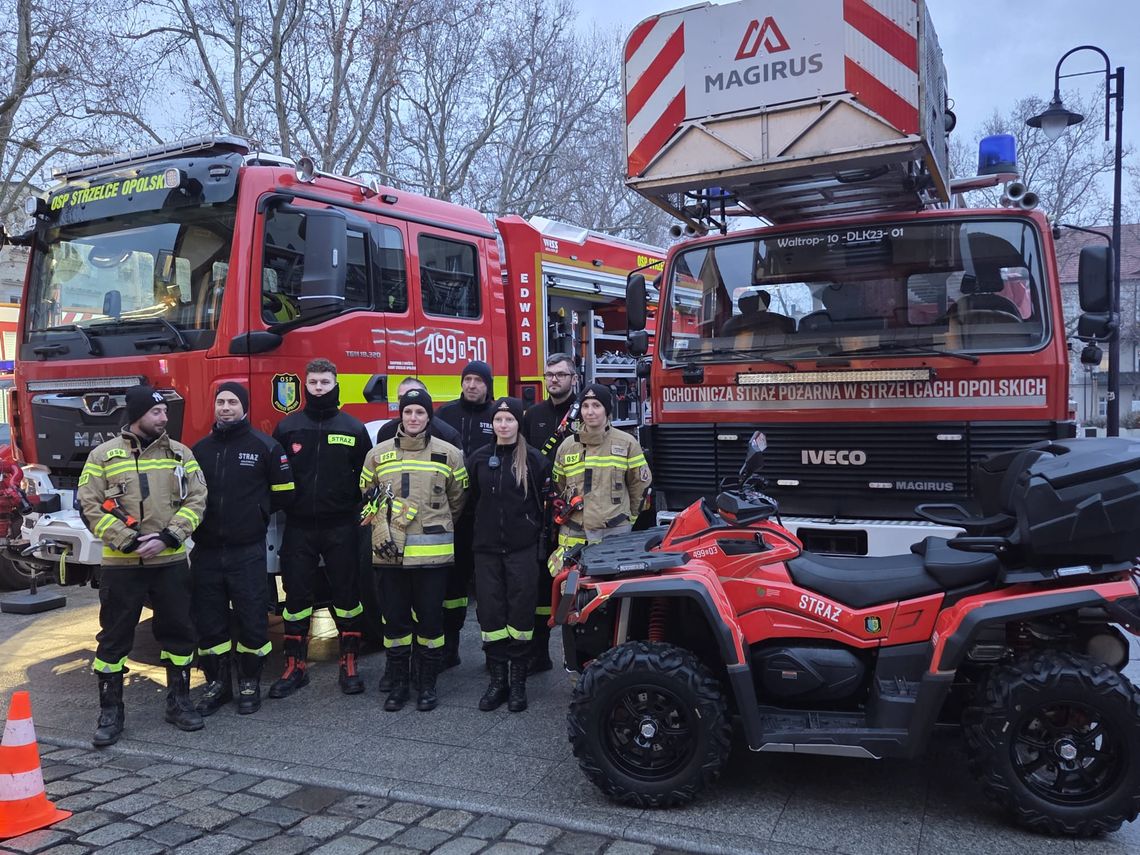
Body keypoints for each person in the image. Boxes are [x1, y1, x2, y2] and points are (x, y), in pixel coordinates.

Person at [78, 385, 209, 746]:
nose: (164, 418)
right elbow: (89, 505)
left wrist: (168, 537)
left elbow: (197, 499)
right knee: (114, 639)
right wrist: (128, 540)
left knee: (179, 633)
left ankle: (180, 703)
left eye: (165, 412)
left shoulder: (181, 454)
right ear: (137, 415)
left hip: (169, 561)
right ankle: (110, 713)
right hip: (122, 565)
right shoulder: (103, 456)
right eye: (157, 412)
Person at [190, 382, 295, 716]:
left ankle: (249, 682)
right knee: (210, 622)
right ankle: (217, 684)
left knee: (252, 619)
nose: (225, 408)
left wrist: (257, 515)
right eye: (220, 401)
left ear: (244, 407)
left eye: (232, 402)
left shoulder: (266, 447)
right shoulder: (199, 450)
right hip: (206, 550)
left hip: (247, 550)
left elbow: (284, 493)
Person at [270, 359, 372, 698]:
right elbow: (275, 477)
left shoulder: (354, 429)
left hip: (342, 525)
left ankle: (349, 662)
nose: (318, 388)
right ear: (305, 385)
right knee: (296, 599)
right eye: (313, 382)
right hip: (298, 526)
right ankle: (295, 666)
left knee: (348, 598)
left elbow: (367, 482)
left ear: (335, 383)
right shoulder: (287, 428)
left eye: (324, 382)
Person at [361, 387, 467, 711]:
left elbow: (458, 499)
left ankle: (427, 684)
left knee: (431, 625)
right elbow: (367, 494)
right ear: (401, 416)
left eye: (420, 412)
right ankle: (398, 684)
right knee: (394, 624)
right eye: (408, 412)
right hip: (389, 555)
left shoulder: (449, 454)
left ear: (428, 416)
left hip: (432, 556)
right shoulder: (377, 454)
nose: (413, 417)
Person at [468, 398, 550, 712]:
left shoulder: (534, 461)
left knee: (520, 617)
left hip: (522, 550)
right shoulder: (477, 459)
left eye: (509, 420)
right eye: (499, 420)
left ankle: (518, 684)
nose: (504, 425)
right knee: (490, 617)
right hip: (486, 550)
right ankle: (497, 681)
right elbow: (473, 500)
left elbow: (542, 506)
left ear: (519, 424)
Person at [548, 384, 652, 577]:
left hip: (614, 530)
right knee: (569, 589)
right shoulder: (567, 446)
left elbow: (640, 485)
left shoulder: (627, 443)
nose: (590, 412)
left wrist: (629, 517)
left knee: (614, 591)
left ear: (607, 410)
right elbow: (559, 484)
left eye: (596, 405)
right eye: (586, 406)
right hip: (574, 530)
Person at [434, 360, 496, 667]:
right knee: (454, 585)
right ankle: (450, 646)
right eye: (467, 379)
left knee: (488, 586)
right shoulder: (445, 414)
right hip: (452, 512)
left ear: (488, 385)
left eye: (478, 380)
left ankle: (493, 652)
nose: (471, 385)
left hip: (486, 514)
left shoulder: (497, 416)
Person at [521, 353, 579, 671]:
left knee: (575, 583)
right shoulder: (533, 416)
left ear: (574, 378)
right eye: (549, 375)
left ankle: (580, 653)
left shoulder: (584, 413)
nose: (553, 380)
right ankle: (539, 654)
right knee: (543, 584)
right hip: (542, 512)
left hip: (576, 513)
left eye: (560, 374)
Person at [374, 377, 462, 447]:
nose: (407, 401)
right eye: (401, 398)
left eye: (416, 396)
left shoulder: (447, 435)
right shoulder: (386, 432)